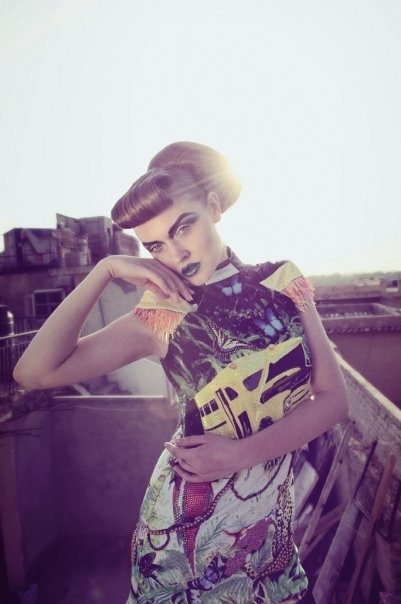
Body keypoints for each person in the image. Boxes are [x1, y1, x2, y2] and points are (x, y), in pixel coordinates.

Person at [14, 142, 348, 603]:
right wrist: (105, 271)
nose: (175, 253)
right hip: (183, 541)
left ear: (213, 206)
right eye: (156, 245)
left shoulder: (283, 282)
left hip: (268, 540)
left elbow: (333, 400)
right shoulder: (164, 314)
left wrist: (240, 454)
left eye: (183, 228)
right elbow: (34, 372)